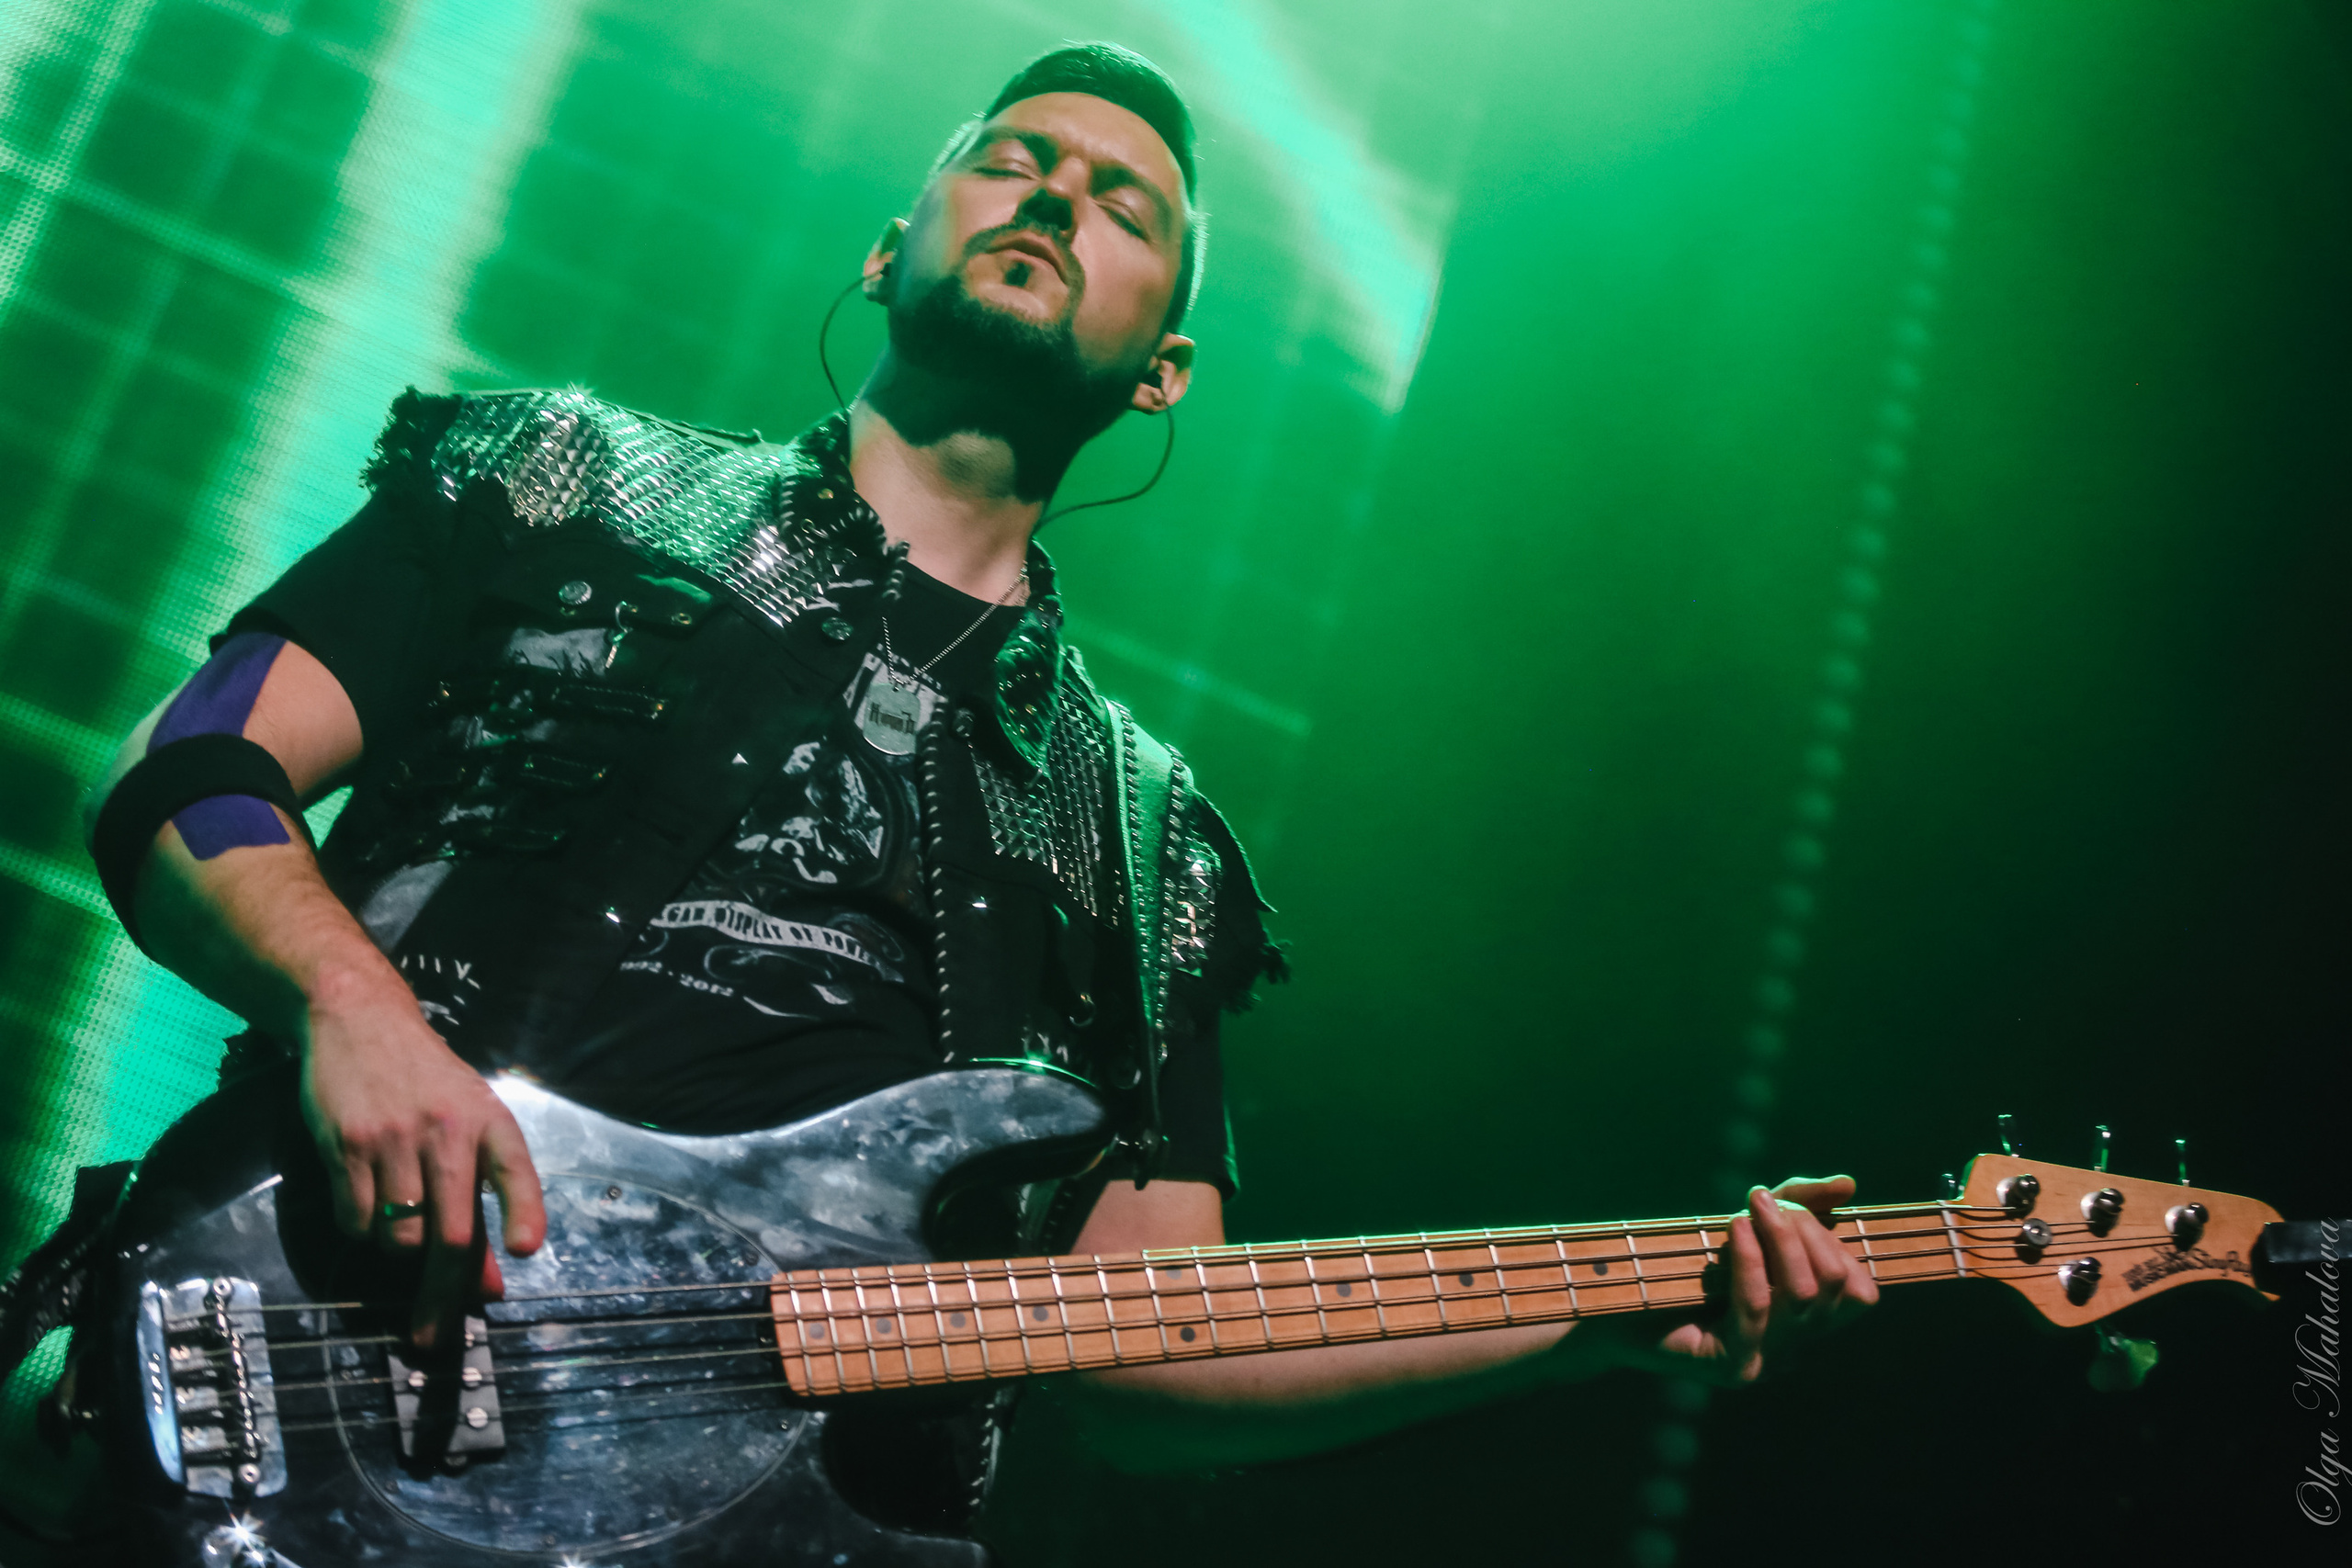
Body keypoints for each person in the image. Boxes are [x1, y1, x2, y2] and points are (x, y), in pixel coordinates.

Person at [77, 41, 1872, 1508]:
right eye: (1014, 160)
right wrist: (351, 1007)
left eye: (1125, 207)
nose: (1057, 196)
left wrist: (1594, 1325)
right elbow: (194, 769)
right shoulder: (563, 479)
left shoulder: (1145, 835)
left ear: (1163, 372)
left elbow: (1146, 1344)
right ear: (888, 250)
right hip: (301, 1342)